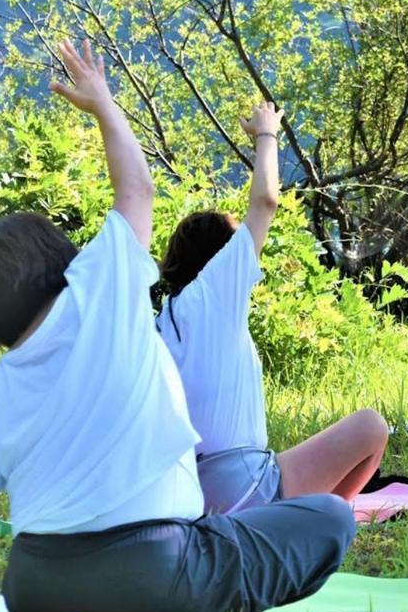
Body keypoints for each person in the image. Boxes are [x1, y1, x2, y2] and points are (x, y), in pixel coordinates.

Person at [0, 41, 355, 612]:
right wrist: (103, 104)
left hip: (35, 587)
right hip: (153, 571)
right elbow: (137, 189)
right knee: (330, 518)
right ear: (56, 261)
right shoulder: (100, 294)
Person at [156, 101, 390, 514]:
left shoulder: (163, 320)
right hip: (243, 489)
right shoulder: (213, 292)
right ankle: (315, 528)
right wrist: (267, 134)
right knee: (372, 426)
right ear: (220, 254)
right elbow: (265, 201)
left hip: (188, 496)